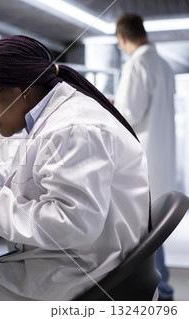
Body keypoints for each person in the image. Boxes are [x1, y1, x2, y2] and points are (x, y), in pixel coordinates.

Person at [0, 35, 150, 301]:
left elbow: (75, 224)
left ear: (21, 91)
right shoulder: (49, 117)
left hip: (84, 274)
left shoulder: (74, 127)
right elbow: (24, 171)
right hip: (69, 261)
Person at [115, 13, 176, 301]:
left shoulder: (137, 64)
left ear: (122, 38)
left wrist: (109, 107)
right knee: (152, 228)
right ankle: (162, 290)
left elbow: (130, 114)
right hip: (161, 157)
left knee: (146, 231)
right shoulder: (163, 64)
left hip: (143, 160)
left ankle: (162, 291)